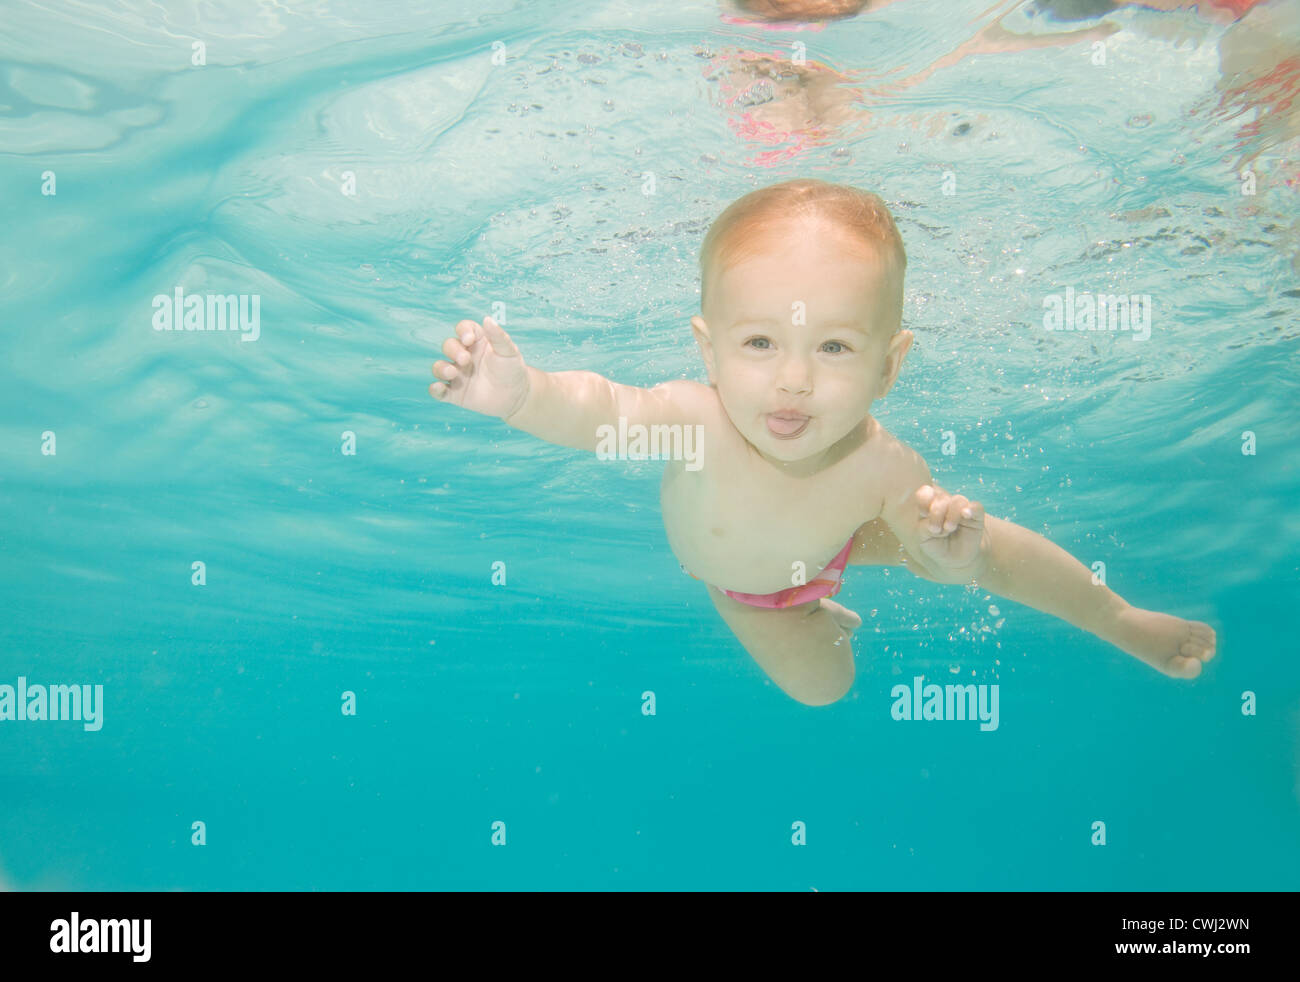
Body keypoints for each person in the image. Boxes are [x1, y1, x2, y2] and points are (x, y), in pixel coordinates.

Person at [429, 180, 1217, 706]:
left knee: (987, 542)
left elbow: (950, 567)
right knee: (824, 689)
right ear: (709, 351)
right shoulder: (694, 420)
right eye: (761, 343)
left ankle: (1118, 619)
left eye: (835, 349)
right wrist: (524, 396)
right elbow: (598, 411)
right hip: (752, 595)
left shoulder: (884, 464)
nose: (794, 381)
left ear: (889, 364)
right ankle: (823, 617)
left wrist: (953, 555)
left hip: (845, 532)